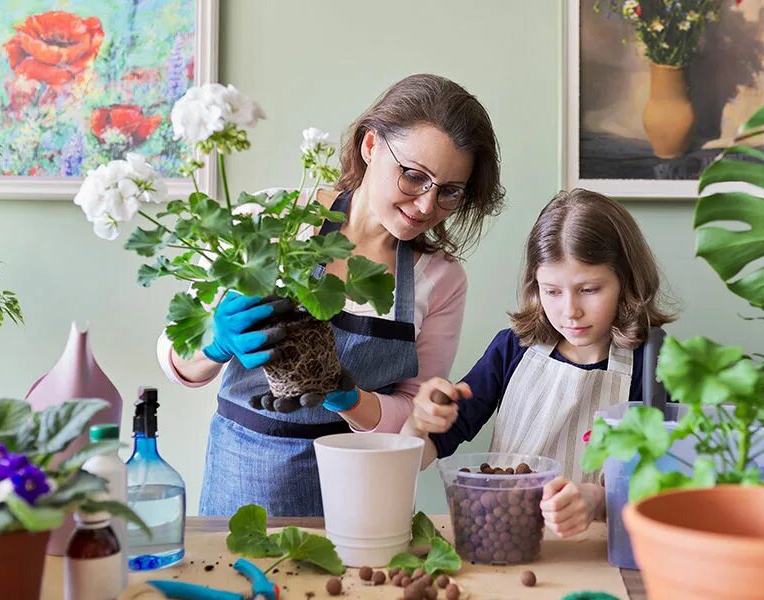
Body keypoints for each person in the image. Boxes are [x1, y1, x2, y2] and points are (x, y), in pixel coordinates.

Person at [156, 74, 505, 516]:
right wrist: (214, 342)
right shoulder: (272, 221)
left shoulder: (442, 278)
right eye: (414, 177)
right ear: (371, 146)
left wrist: (352, 399)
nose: (425, 206)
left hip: (361, 494)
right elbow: (174, 356)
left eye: (449, 191)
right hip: (242, 486)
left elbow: (413, 424)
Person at [401, 189, 676, 538]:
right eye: (552, 291)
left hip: (598, 549)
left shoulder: (652, 367)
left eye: (589, 289)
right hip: (503, 541)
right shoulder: (512, 350)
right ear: (535, 286)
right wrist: (417, 423)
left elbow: (663, 490)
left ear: (626, 282)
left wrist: (598, 502)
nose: (570, 311)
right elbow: (422, 455)